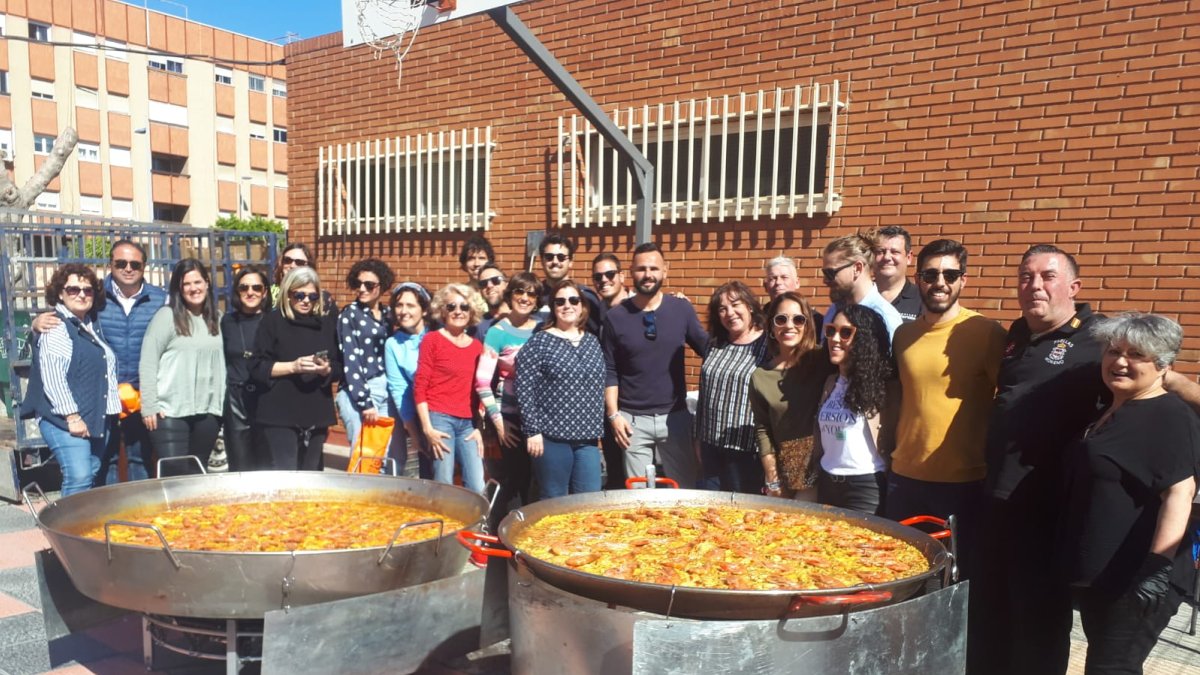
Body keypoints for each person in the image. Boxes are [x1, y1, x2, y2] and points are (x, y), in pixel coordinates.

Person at [968, 244, 1107, 675]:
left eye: (1047, 276)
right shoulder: (1016, 335)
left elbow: (1149, 382)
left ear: (1074, 287)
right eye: (1026, 277)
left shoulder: (1099, 338)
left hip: (1049, 507)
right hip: (996, 497)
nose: (1035, 286)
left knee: (1038, 621)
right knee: (989, 610)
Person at [1058, 313, 1199, 674]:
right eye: (1113, 351)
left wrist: (1156, 568)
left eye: (1136, 354)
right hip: (1102, 577)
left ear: (1163, 365)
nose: (1119, 361)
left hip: (1138, 582)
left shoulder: (1166, 415)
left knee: (1112, 669)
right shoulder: (1112, 409)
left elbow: (1180, 493)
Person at [887, 239, 1006, 577]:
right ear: (918, 278)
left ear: (963, 280)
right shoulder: (904, 335)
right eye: (930, 274)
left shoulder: (986, 332)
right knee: (900, 572)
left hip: (961, 482)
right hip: (903, 477)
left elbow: (1007, 402)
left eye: (950, 274)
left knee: (954, 576)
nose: (940, 282)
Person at [31, 240, 167, 484]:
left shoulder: (160, 299)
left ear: (144, 266)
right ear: (110, 265)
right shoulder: (95, 294)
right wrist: (36, 325)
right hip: (103, 397)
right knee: (105, 462)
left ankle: (138, 512)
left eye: (135, 263)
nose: (128, 268)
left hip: (141, 394)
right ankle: (108, 517)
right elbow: (65, 320)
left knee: (140, 459)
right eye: (121, 263)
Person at [603, 243, 708, 488]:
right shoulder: (615, 317)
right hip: (631, 421)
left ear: (665, 271)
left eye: (653, 268)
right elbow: (609, 370)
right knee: (638, 497)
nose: (647, 274)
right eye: (641, 269)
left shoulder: (681, 308)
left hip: (675, 418)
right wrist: (614, 415)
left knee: (682, 491)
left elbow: (708, 350)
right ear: (631, 272)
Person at [21, 264, 119, 495]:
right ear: (60, 294)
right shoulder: (56, 326)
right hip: (64, 418)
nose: (82, 294)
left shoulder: (90, 324)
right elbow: (53, 376)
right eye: (73, 289)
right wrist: (72, 416)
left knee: (91, 471)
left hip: (94, 415)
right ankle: (64, 529)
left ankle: (80, 527)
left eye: (88, 290)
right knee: (79, 476)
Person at [515, 281, 606, 498]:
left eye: (573, 300)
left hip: (588, 438)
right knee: (554, 500)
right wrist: (532, 431)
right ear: (553, 307)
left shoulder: (592, 342)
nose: (567, 305)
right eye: (560, 301)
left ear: (582, 306)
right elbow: (524, 387)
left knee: (589, 500)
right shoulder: (540, 342)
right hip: (551, 437)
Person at [139, 259, 225, 475]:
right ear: (179, 288)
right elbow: (148, 361)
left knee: (197, 472)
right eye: (186, 284)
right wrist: (149, 404)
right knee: (174, 473)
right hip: (169, 412)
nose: (193, 288)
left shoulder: (219, 319)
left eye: (198, 282)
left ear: (207, 283)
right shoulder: (166, 317)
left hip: (208, 411)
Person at [250, 266, 342, 471]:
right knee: (286, 473)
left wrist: (326, 369)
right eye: (299, 295)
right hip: (280, 412)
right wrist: (293, 366)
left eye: (312, 296)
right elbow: (257, 367)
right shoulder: (272, 322)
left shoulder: (325, 324)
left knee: (312, 476)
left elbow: (338, 367)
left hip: (316, 412)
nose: (306, 301)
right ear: (288, 294)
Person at [749, 291, 833, 500]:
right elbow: (763, 430)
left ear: (807, 325)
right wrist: (772, 477)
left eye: (798, 319)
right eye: (781, 319)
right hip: (783, 470)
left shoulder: (823, 359)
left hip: (822, 467)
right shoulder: (760, 376)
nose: (789, 325)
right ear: (771, 327)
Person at [814, 305, 896, 514]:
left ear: (865, 340)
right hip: (827, 481)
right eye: (831, 330)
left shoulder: (882, 387)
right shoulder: (829, 382)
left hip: (865, 486)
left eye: (846, 332)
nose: (835, 338)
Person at [475, 272, 540, 522]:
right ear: (510, 294)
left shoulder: (543, 328)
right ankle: (506, 545)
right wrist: (500, 424)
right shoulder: (497, 332)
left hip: (539, 421)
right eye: (519, 292)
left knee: (535, 485)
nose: (524, 298)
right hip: (509, 421)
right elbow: (482, 382)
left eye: (531, 293)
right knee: (512, 486)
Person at [694, 281, 769, 493]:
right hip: (710, 446)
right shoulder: (714, 344)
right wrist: (698, 438)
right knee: (709, 511)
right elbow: (704, 394)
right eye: (722, 309)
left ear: (750, 307)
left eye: (736, 305)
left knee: (741, 515)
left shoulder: (767, 346)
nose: (730, 313)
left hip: (746, 451)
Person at [414, 283, 487, 493]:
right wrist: (427, 429)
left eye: (464, 307)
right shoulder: (432, 340)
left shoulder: (476, 347)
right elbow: (420, 387)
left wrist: (479, 428)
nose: (458, 311)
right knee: (444, 483)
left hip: (468, 425)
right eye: (451, 306)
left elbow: (479, 390)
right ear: (442, 311)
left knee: (477, 485)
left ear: (471, 311)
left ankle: (474, 527)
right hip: (440, 420)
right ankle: (443, 526)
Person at [333, 258, 396, 456]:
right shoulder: (350, 314)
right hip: (359, 392)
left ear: (382, 286)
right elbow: (350, 360)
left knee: (383, 454)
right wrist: (364, 402)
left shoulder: (387, 314)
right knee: (363, 455)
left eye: (369, 285)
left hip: (385, 389)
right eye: (358, 283)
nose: (362, 289)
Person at [221, 264, 272, 472]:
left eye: (256, 288)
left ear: (265, 292)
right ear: (237, 291)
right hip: (236, 401)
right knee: (240, 468)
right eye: (244, 288)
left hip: (267, 400)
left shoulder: (274, 321)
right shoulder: (227, 321)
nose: (250, 292)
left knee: (268, 467)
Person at [384, 282, 434, 479]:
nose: (403, 311)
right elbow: (399, 389)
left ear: (424, 310)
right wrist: (413, 433)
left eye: (410, 305)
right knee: (428, 477)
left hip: (451, 414)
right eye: (399, 305)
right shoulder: (393, 344)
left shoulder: (438, 335)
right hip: (421, 418)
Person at [820, 234, 904, 343]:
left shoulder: (885, 317)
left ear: (857, 268)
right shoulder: (834, 310)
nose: (825, 280)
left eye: (830, 273)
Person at [592, 252, 628, 489]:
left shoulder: (640, 307)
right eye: (598, 276)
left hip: (636, 405)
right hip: (608, 405)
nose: (604, 279)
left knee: (636, 473)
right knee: (615, 471)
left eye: (610, 274)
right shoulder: (595, 313)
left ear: (622, 276)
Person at [537, 232, 605, 335]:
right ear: (542, 260)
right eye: (549, 257)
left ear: (571, 261)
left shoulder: (585, 296)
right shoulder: (534, 294)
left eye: (561, 257)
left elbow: (596, 335)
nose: (555, 261)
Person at [870, 226, 921, 322]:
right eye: (880, 251)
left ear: (909, 257)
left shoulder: (923, 299)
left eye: (895, 252)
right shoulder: (860, 295)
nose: (887, 257)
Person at [271, 242, 336, 313]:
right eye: (287, 260)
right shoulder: (269, 293)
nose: (292, 265)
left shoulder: (322, 298)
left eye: (299, 262)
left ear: (309, 266)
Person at [475, 263, 509, 338]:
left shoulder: (525, 319)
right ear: (480, 291)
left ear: (507, 285)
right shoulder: (476, 326)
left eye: (495, 280)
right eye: (483, 283)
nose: (489, 286)